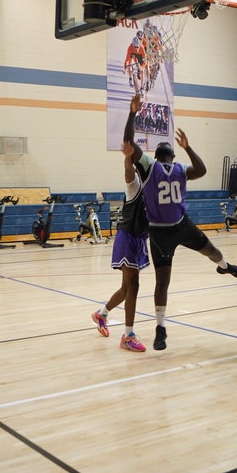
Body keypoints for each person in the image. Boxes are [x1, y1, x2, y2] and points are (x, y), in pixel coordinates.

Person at [124, 93, 237, 351]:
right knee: (163, 280)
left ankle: (225, 266)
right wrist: (133, 113)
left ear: (161, 155)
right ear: (163, 155)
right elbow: (129, 144)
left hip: (181, 224)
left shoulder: (177, 169)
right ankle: (160, 328)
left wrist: (188, 148)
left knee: (210, 251)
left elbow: (201, 171)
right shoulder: (150, 166)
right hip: (160, 232)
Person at [91, 142, 151, 352]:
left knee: (127, 288)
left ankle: (102, 313)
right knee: (134, 286)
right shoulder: (136, 185)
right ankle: (128, 335)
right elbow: (128, 170)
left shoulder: (156, 191)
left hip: (140, 240)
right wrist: (128, 157)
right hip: (127, 237)